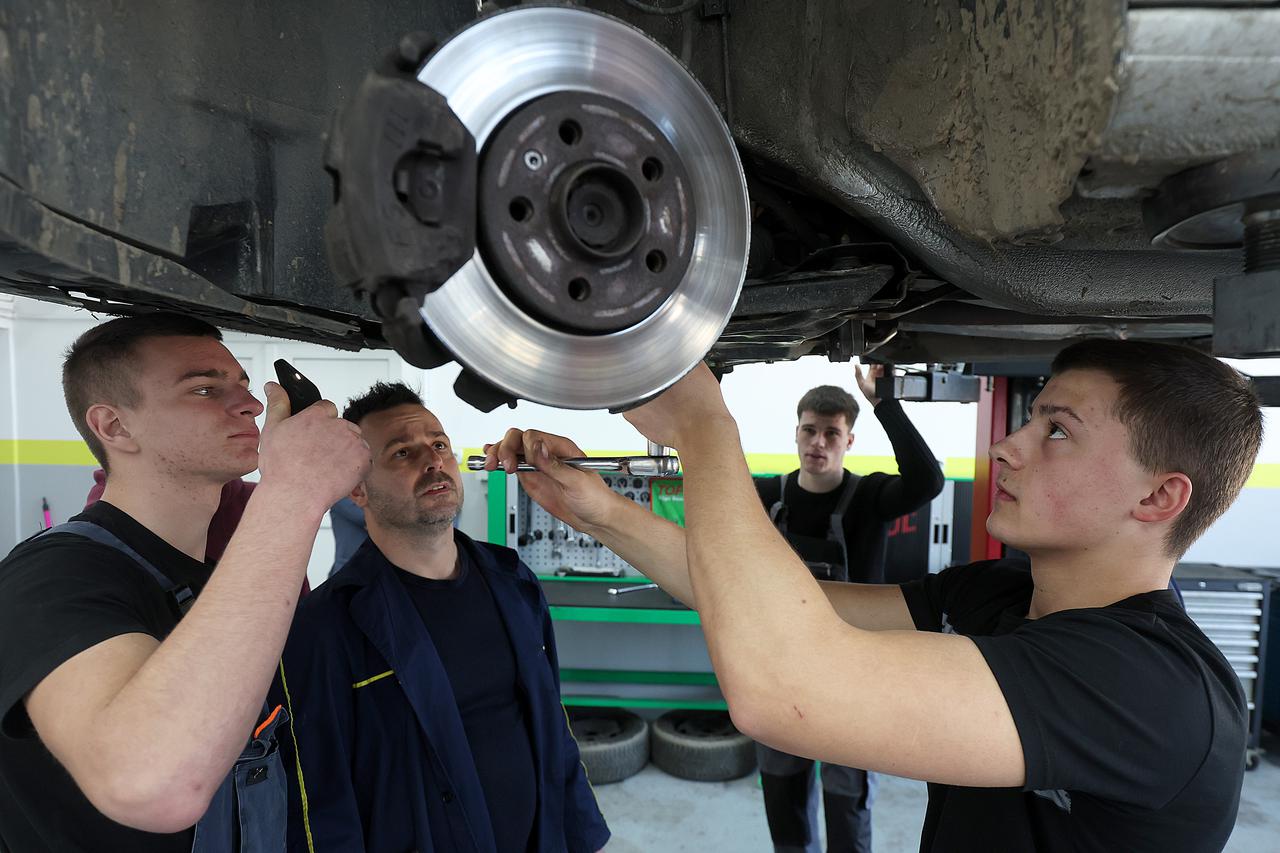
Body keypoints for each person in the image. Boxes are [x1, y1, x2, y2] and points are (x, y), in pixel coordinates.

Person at [486, 339, 1263, 852]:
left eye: (1056, 430)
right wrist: (599, 511)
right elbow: (784, 613)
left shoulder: (1152, 688)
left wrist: (703, 422)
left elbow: (783, 688)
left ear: (1159, 497)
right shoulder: (1000, 593)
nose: (1008, 445)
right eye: (1029, 419)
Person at [0, 312, 370, 852]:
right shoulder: (51, 577)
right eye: (203, 389)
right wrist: (294, 491)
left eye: (243, 386)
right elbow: (150, 785)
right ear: (114, 427)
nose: (249, 405)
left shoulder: (227, 580)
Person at [275, 382, 610, 853]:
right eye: (401, 453)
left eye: (438, 445)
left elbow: (552, 726)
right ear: (357, 488)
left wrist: (582, 836)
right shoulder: (323, 628)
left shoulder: (514, 581)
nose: (432, 461)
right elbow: (319, 803)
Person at [754, 365, 943, 853]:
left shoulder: (871, 498)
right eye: (810, 430)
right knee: (781, 790)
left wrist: (885, 404)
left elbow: (927, 481)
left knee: (846, 797)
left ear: (849, 440)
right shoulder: (766, 496)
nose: (818, 442)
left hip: (852, 677)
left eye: (831, 433)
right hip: (783, 672)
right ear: (796, 432)